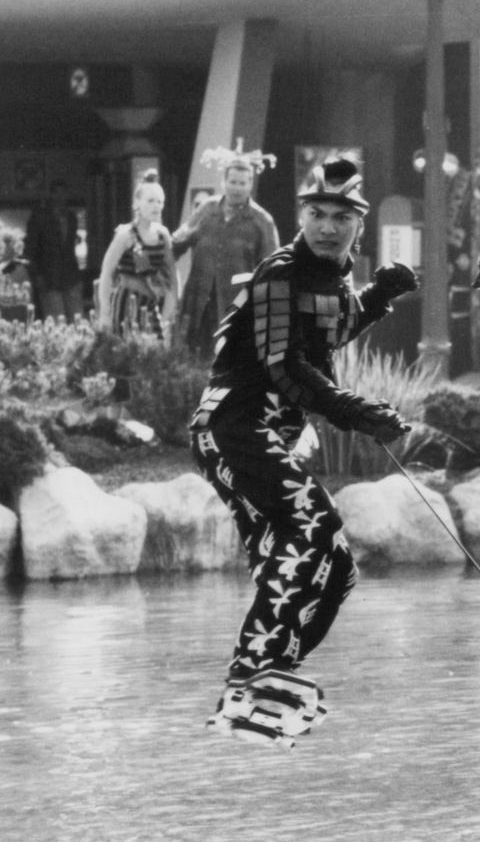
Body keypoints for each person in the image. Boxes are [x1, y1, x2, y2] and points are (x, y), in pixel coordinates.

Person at [189, 157, 418, 745]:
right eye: (317, 213)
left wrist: (379, 296)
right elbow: (286, 366)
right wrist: (356, 412)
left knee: (338, 570)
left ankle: (277, 671)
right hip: (234, 425)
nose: (327, 226)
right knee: (311, 524)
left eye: (341, 217)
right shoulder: (279, 274)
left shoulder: (332, 280)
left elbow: (326, 331)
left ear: (357, 226)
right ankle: (251, 669)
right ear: (301, 215)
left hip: (269, 434)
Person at [175, 145, 281, 349]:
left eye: (242, 183)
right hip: (199, 305)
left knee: (230, 367)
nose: (237, 188)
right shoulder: (206, 210)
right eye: (232, 182)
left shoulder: (262, 222)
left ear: (250, 184)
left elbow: (273, 272)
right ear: (223, 182)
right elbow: (177, 244)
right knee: (193, 362)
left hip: (236, 309)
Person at [94, 169, 179, 339]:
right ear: (137, 203)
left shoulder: (163, 235)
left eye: (159, 201)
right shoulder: (125, 234)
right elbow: (106, 273)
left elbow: (172, 277)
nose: (156, 205)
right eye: (150, 201)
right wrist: (104, 313)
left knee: (155, 353)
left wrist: (169, 312)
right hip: (125, 304)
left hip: (151, 305)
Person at [26, 181, 87, 321]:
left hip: (71, 274)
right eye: (56, 193)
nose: (60, 197)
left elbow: (69, 246)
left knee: (77, 317)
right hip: (49, 276)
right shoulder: (40, 217)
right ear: (51, 195)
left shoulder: (71, 218)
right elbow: (31, 249)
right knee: (56, 319)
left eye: (63, 193)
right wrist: (37, 275)